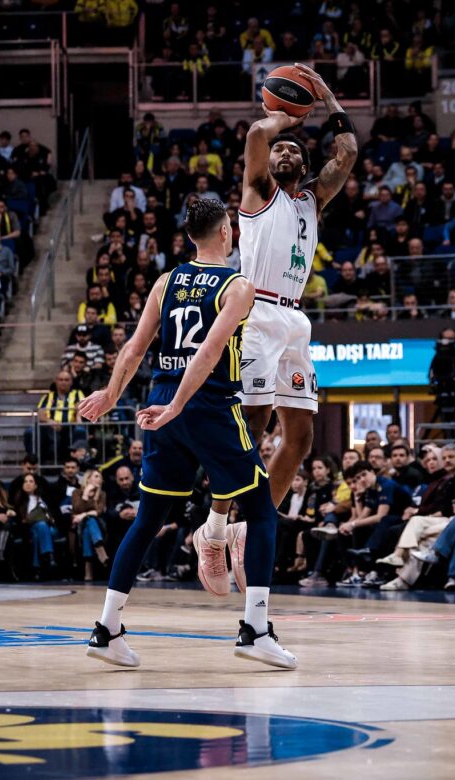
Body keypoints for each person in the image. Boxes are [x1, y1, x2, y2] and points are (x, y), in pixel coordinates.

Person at [79, 198, 295, 670]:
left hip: (160, 398)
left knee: (149, 516)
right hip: (205, 405)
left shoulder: (165, 281)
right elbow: (212, 349)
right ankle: (255, 629)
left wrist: (112, 395)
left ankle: (106, 628)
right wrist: (179, 405)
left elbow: (135, 348)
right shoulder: (238, 286)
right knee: (261, 510)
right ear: (226, 233)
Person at [206, 63, 357, 556]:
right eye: (280, 149)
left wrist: (325, 95)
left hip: (295, 318)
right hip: (257, 315)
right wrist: (286, 116)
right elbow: (256, 131)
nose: (287, 150)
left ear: (303, 164)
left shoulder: (313, 199)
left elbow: (348, 151)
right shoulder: (256, 194)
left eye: (294, 148)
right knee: (252, 423)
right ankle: (215, 524)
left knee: (301, 436)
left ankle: (253, 527)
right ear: (268, 163)